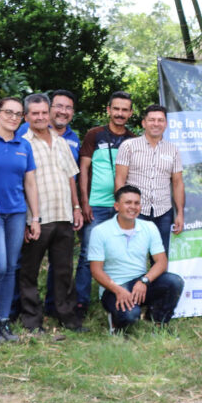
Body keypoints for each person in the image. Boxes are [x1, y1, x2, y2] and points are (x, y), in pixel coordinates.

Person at [18, 93, 86, 333]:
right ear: (26, 116)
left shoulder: (61, 141)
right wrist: (27, 220)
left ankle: (67, 316)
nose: (40, 117)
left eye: (43, 112)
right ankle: (32, 320)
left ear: (49, 113)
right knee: (29, 271)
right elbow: (21, 183)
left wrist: (76, 208)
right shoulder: (22, 143)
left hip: (63, 214)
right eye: (34, 113)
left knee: (64, 270)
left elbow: (70, 177)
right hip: (37, 218)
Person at [0, 97, 41, 343]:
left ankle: (3, 322)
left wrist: (35, 218)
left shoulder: (24, 145)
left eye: (18, 114)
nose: (13, 117)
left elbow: (30, 183)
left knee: (11, 268)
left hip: (16, 212)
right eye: (8, 112)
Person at [88, 185, 185, 331]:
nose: (133, 207)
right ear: (116, 206)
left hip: (139, 283)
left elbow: (161, 262)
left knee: (174, 282)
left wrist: (144, 281)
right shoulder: (100, 231)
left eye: (136, 203)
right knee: (131, 316)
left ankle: (158, 322)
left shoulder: (149, 227)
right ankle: (116, 322)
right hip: (114, 288)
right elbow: (96, 271)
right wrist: (118, 290)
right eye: (128, 202)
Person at [75, 91, 134, 320]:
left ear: (130, 113)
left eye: (124, 110)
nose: (120, 113)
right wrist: (84, 202)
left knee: (120, 254)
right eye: (116, 109)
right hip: (96, 205)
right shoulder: (94, 135)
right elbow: (83, 170)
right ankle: (80, 304)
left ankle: (120, 300)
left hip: (122, 208)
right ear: (108, 110)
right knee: (87, 255)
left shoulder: (133, 140)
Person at [115, 104, 184, 253]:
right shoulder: (128, 146)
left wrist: (180, 213)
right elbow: (120, 180)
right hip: (134, 211)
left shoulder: (173, 150)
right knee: (132, 255)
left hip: (163, 212)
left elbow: (178, 183)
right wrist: (122, 210)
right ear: (144, 123)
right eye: (152, 120)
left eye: (160, 120)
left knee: (161, 255)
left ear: (166, 124)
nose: (156, 124)